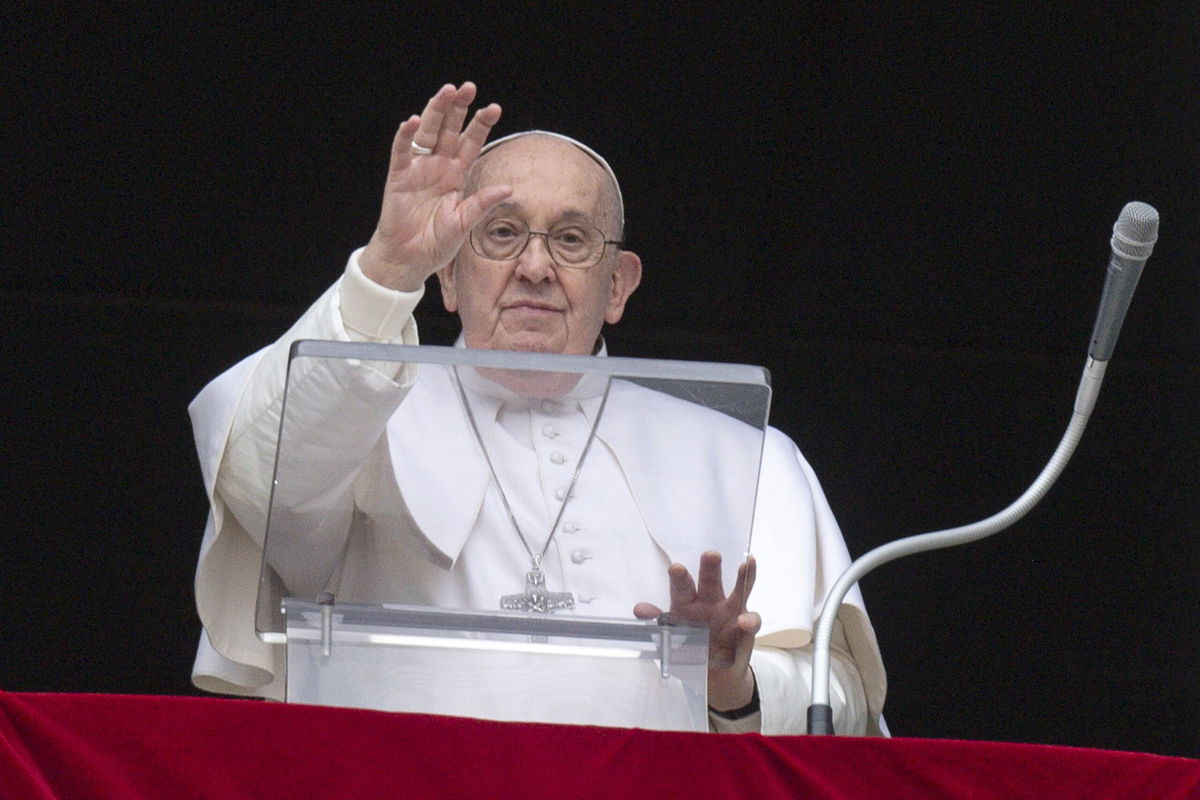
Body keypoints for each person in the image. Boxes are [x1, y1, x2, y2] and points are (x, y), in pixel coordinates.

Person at [189, 82, 886, 734]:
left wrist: (731, 685)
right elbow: (262, 485)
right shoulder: (357, 414)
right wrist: (386, 270)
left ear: (618, 285)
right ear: (449, 275)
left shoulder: (746, 457)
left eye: (572, 238)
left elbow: (841, 705)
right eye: (500, 233)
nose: (534, 266)